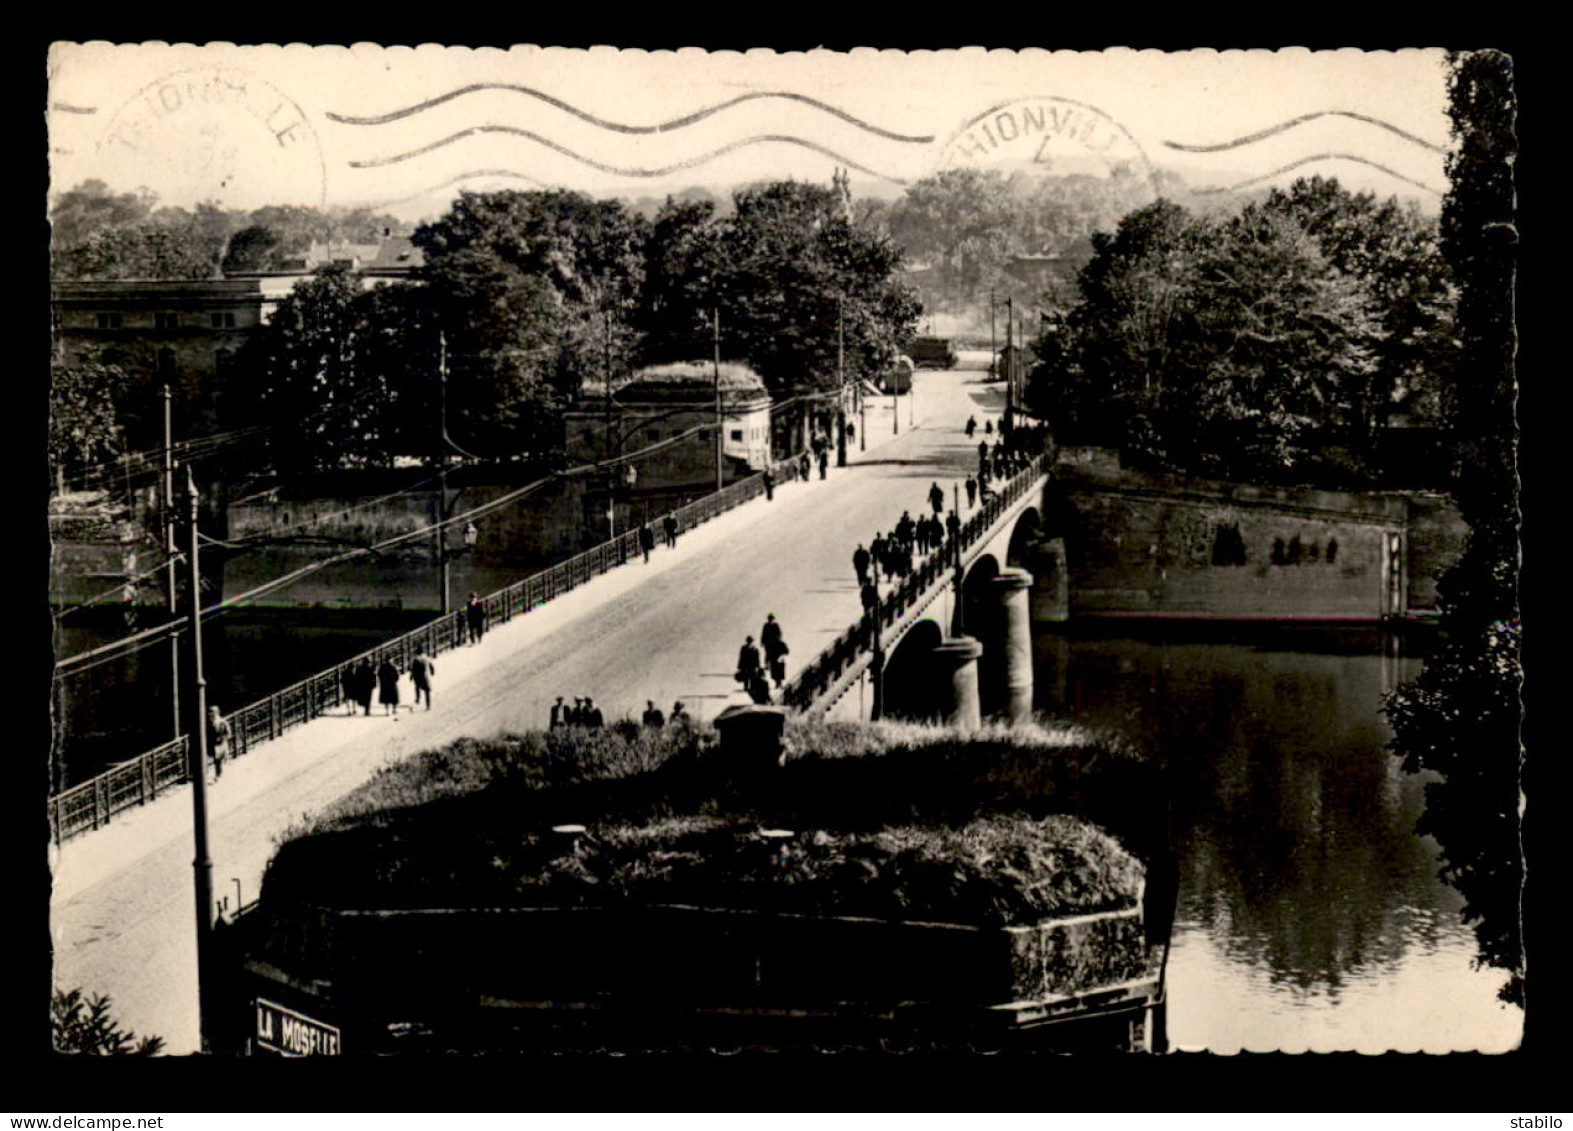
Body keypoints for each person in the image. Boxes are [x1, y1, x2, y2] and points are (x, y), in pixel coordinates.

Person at [760, 613, 789, 688]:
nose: (770, 620)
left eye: (771, 618)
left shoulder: (776, 625)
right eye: (769, 618)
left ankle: (779, 683)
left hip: (775, 647)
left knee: (779, 668)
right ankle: (777, 682)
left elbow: (779, 633)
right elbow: (763, 634)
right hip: (769, 644)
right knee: (771, 662)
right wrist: (763, 642)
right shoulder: (766, 625)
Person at [207, 705, 230, 781]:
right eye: (209, 712)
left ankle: (218, 774)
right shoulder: (208, 722)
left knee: (218, 759)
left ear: (216, 712)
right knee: (213, 758)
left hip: (219, 744)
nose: (210, 714)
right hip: (211, 743)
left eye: (212, 712)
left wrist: (222, 738)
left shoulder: (222, 722)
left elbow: (228, 733)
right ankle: (210, 773)